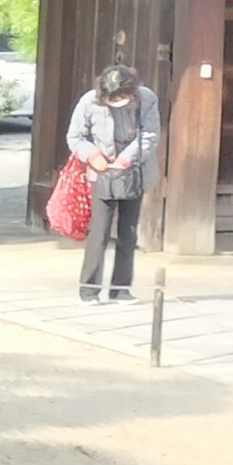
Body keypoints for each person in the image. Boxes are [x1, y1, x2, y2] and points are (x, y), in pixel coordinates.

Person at [62, 61, 160, 300]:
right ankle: (88, 290)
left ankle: (120, 289)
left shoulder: (146, 98)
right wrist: (92, 155)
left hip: (133, 171)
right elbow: (75, 136)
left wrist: (126, 159)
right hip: (101, 171)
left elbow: (150, 135)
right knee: (99, 232)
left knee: (128, 232)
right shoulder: (89, 101)